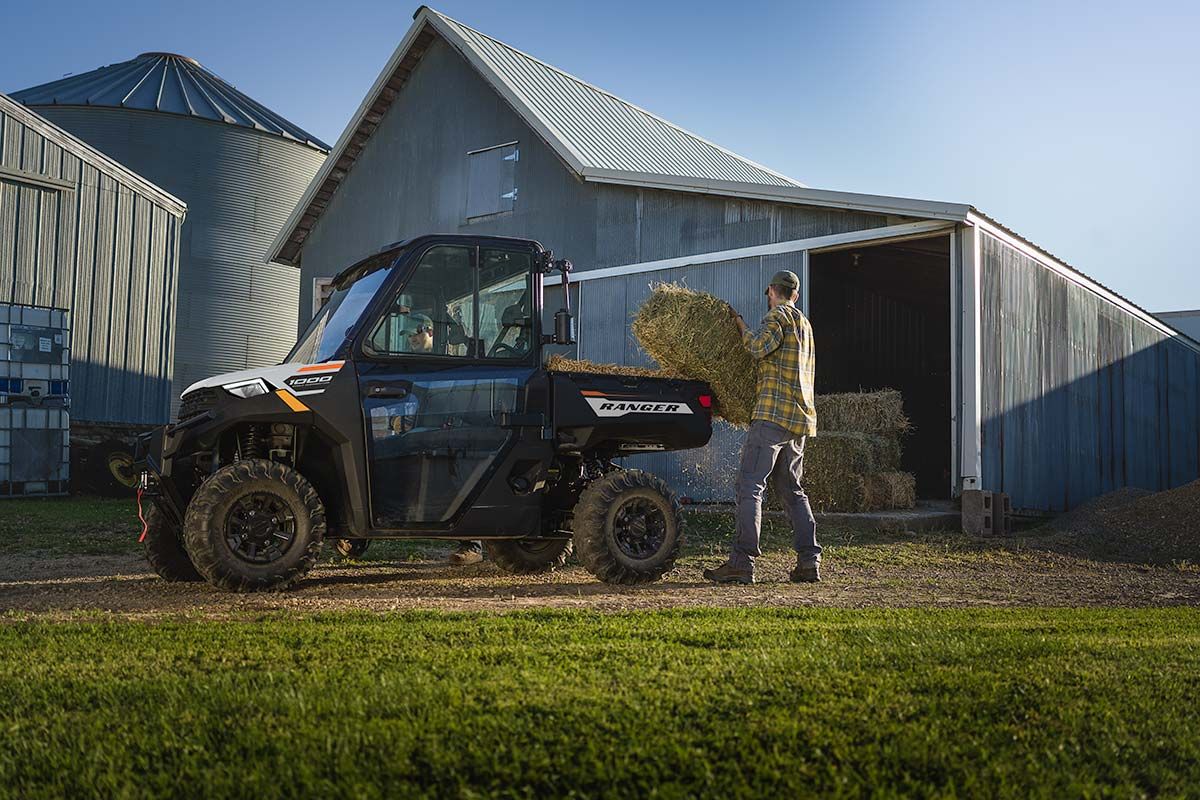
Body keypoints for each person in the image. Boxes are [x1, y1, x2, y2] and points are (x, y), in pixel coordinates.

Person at [703, 270, 820, 585]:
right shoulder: (805, 325)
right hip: (799, 420)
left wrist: (740, 324)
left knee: (750, 486)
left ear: (771, 290)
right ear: (796, 294)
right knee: (793, 490)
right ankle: (809, 562)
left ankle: (742, 563)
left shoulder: (777, 317)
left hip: (772, 415)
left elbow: (756, 347)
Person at [401, 313, 483, 565]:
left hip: (457, 430)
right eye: (408, 335)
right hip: (425, 430)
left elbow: (463, 402)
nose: (412, 339)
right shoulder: (414, 365)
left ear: (431, 332)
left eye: (416, 333)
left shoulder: (452, 362)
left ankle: (474, 543)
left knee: (462, 468)